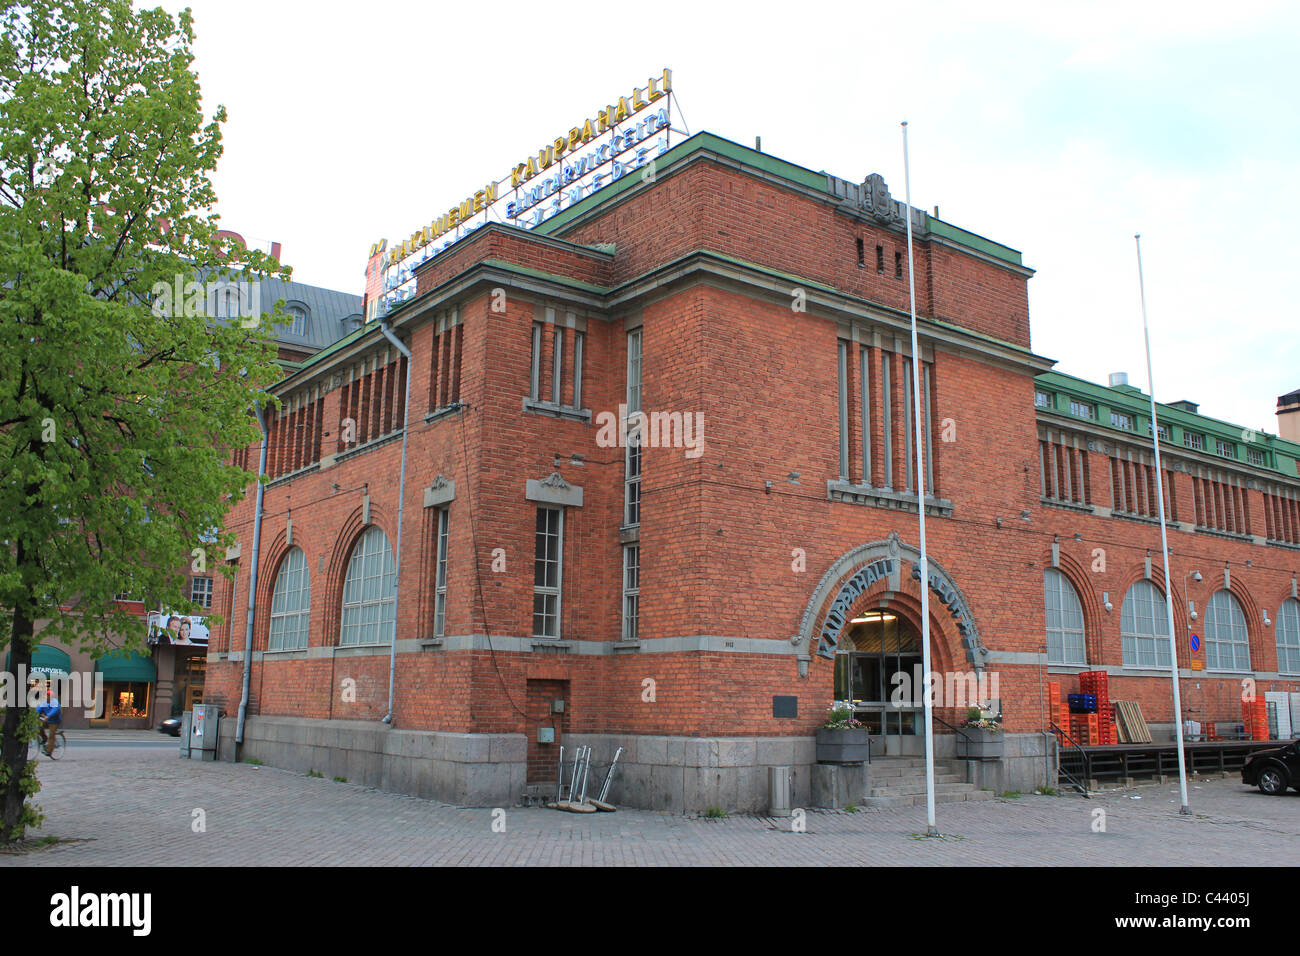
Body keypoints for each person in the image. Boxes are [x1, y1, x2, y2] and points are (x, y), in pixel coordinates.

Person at [36, 682, 62, 756]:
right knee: (38, 727)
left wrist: (48, 716)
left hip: (54, 721)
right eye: (46, 695)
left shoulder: (55, 702)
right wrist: (34, 715)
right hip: (47, 720)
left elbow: (55, 710)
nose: (47, 697)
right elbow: (38, 709)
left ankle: (49, 751)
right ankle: (44, 738)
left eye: (48, 695)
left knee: (51, 735)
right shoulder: (44, 702)